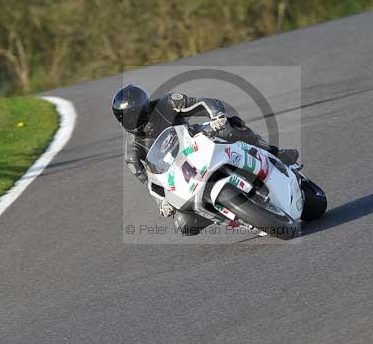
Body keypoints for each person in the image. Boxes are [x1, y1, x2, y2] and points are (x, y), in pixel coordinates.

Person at [112, 84, 299, 235]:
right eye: (129, 119)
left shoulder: (167, 103)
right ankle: (230, 214)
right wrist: (162, 202)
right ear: (122, 121)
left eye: (141, 114)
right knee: (183, 224)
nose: (142, 122)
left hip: (196, 141)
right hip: (178, 173)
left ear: (147, 106)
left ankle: (274, 152)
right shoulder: (132, 153)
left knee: (230, 128)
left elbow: (201, 103)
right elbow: (149, 182)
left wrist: (216, 115)